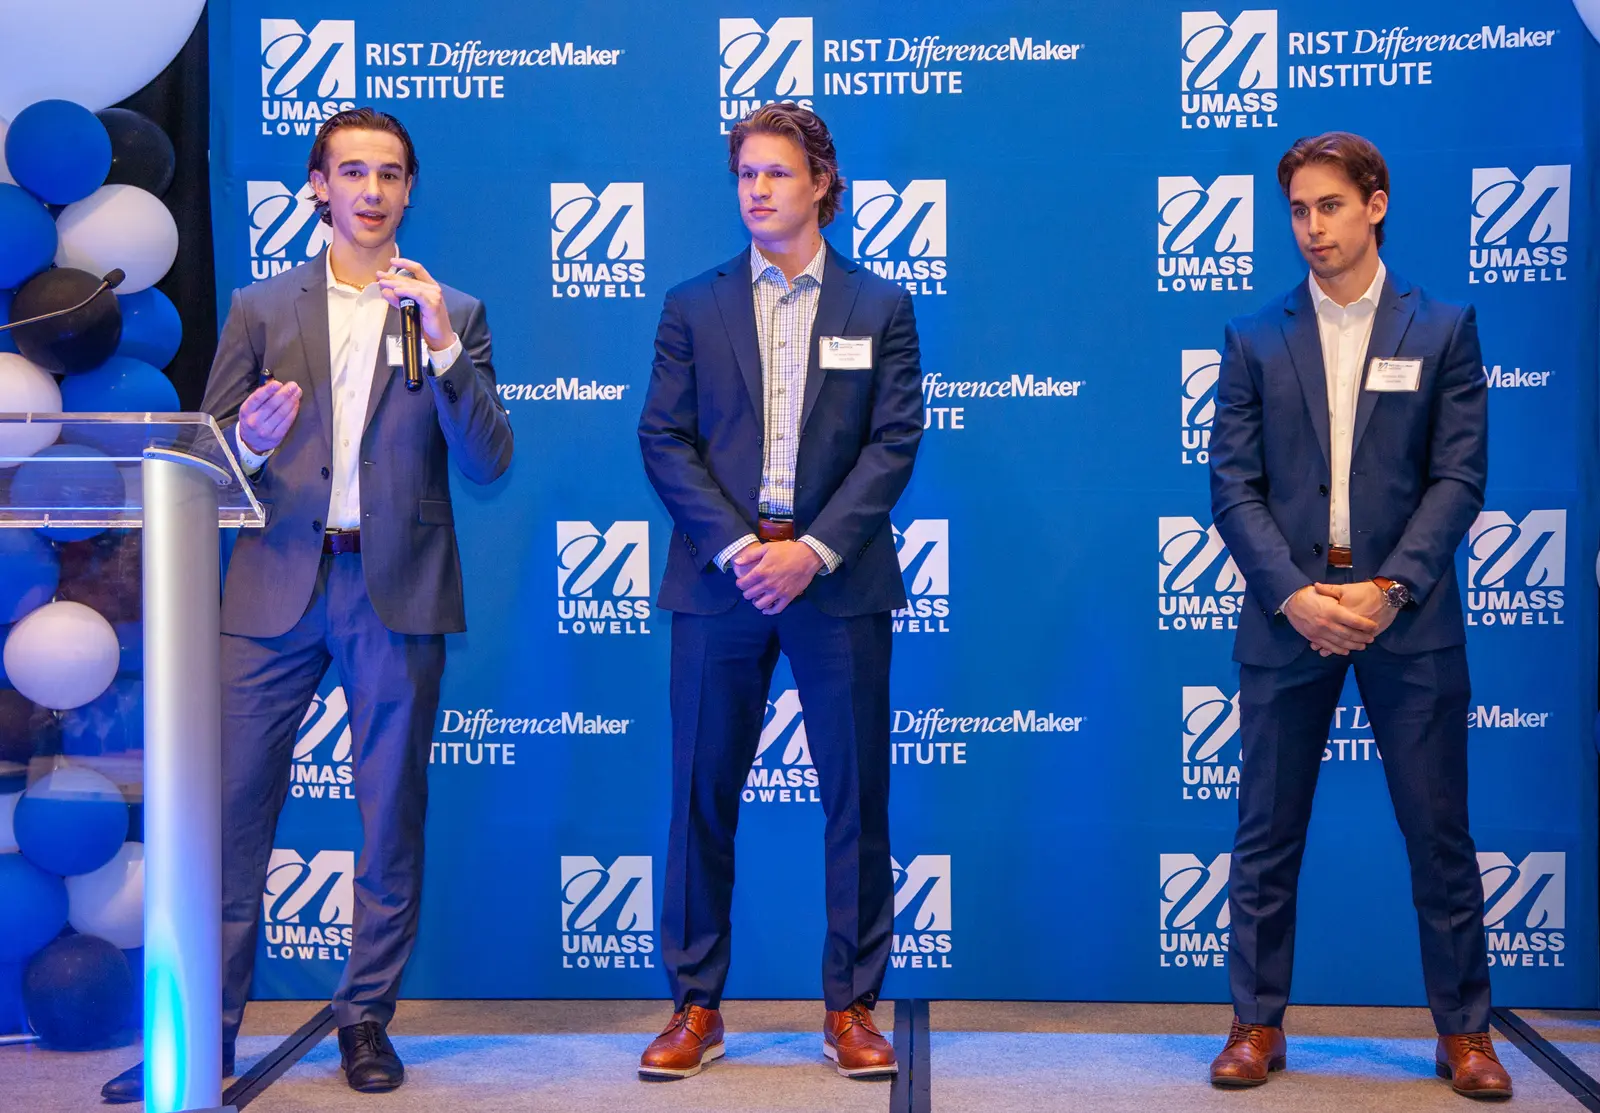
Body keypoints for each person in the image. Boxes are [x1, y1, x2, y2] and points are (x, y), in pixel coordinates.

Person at [103, 107, 513, 1102]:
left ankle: (364, 1020)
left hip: (396, 591)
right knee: (229, 818)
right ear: (318, 188)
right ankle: (206, 1029)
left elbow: (491, 459)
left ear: (410, 190)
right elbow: (201, 463)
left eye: (390, 174)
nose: (371, 191)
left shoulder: (449, 307)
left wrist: (448, 352)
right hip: (272, 589)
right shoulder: (258, 307)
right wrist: (245, 437)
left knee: (390, 821)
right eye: (351, 173)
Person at [1205, 132, 1509, 1099]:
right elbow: (1231, 487)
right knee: (1264, 833)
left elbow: (1459, 477)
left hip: (1406, 619)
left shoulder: (1444, 325)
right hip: (1289, 614)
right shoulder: (1255, 338)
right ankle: (1256, 1025)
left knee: (1439, 833)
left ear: (1375, 204)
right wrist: (1294, 594)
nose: (1312, 226)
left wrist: (1389, 590)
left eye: (1329, 205)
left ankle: (1466, 1033)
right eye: (1297, 209)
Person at [636, 102, 923, 1081]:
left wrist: (813, 550)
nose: (756, 189)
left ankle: (849, 1008)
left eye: (775, 173)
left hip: (833, 584)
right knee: (699, 796)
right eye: (744, 175)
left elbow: (893, 445)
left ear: (820, 184)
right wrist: (735, 548)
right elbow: (662, 439)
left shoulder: (879, 305)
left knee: (855, 801)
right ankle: (695, 1005)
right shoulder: (692, 304)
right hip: (722, 583)